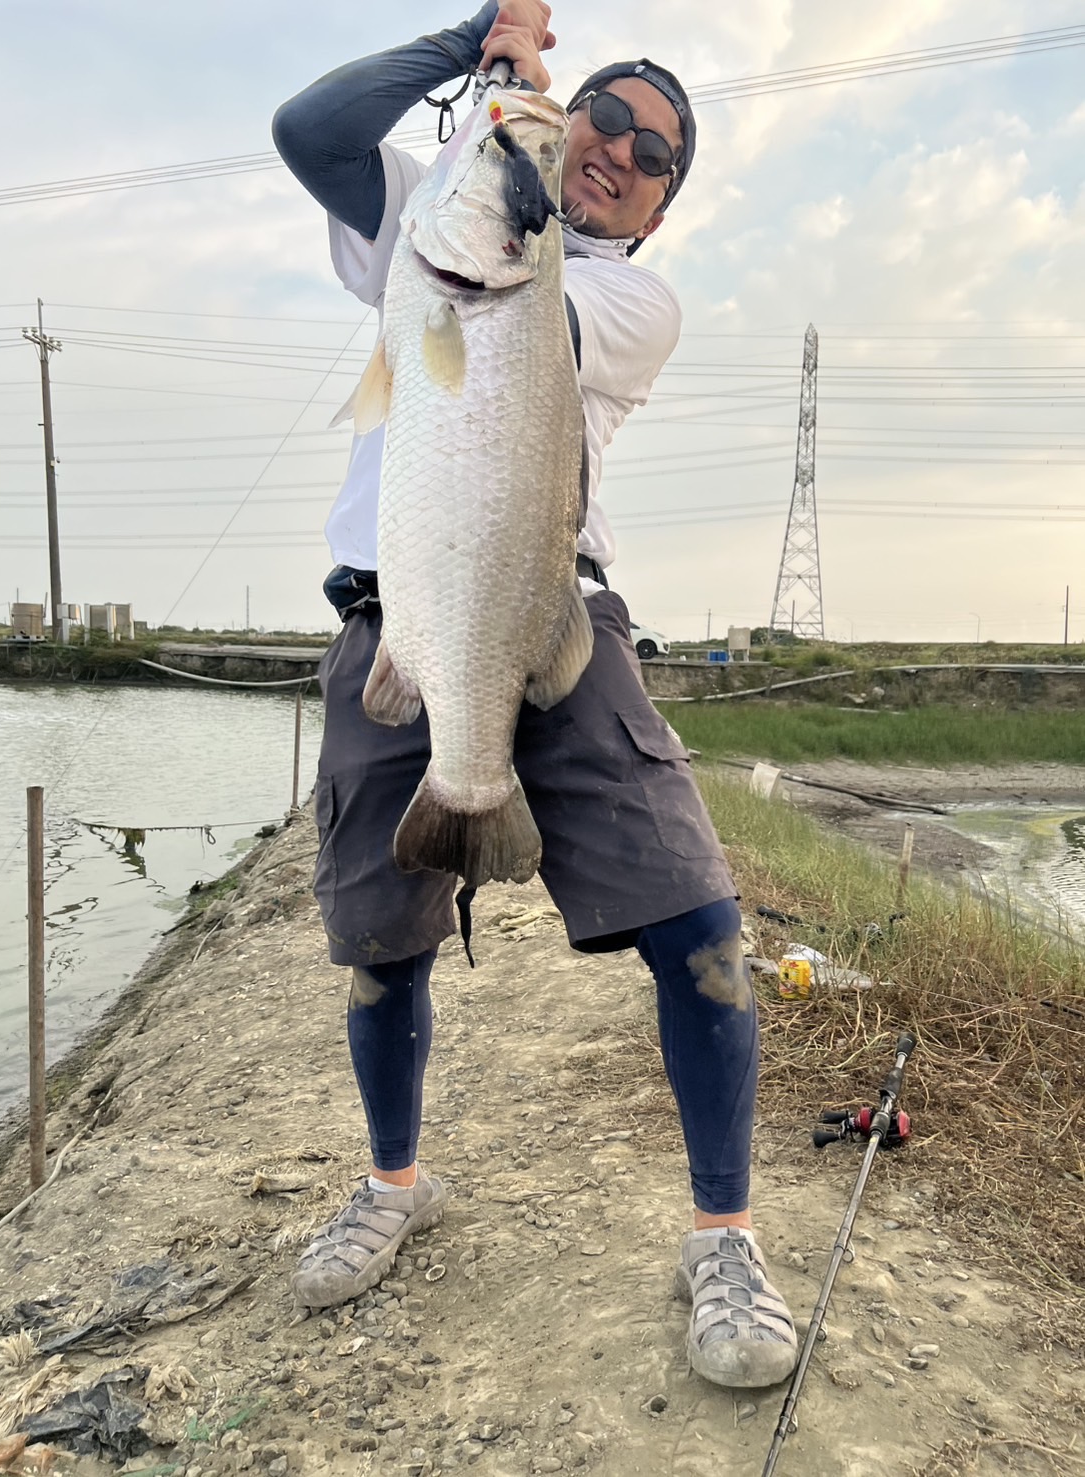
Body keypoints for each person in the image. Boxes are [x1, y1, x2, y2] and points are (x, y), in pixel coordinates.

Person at [272, 0, 798, 1390]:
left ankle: (725, 1235)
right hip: (391, 620)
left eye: (651, 153)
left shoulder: (618, 292)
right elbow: (308, 131)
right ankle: (394, 1180)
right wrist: (470, 54)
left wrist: (517, 130)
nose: (617, 151)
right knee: (380, 944)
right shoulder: (441, 218)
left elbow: (506, 262)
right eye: (604, 121)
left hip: (544, 608)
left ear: (662, 205)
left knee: (700, 917)